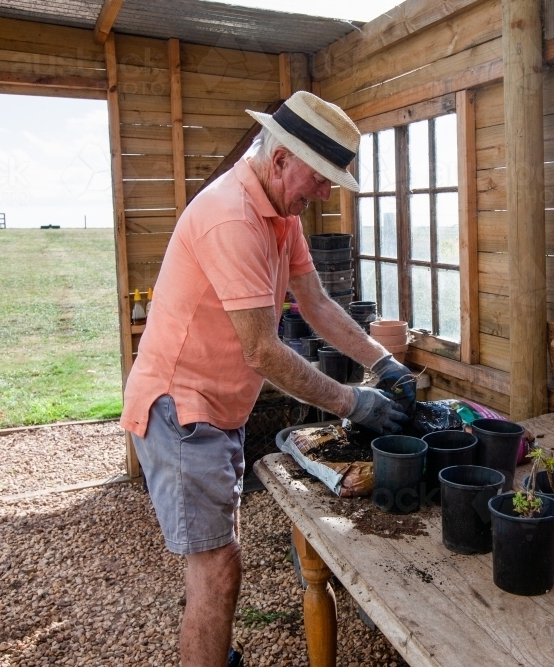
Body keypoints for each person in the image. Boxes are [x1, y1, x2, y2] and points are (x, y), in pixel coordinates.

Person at [119, 91, 416, 667]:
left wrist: (384, 363)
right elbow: (262, 349)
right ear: (280, 159)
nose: (327, 192)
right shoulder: (231, 217)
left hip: (217, 408)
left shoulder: (279, 214)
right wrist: (353, 402)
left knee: (219, 557)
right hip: (179, 410)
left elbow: (318, 304)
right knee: (217, 570)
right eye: (321, 178)